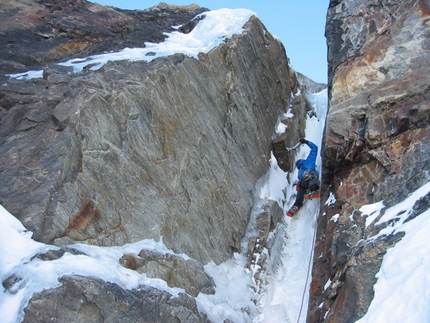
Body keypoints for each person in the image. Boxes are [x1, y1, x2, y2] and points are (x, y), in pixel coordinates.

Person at [287, 138, 320, 217]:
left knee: (301, 191)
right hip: (309, 178)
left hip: (302, 182)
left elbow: (301, 183)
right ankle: (314, 191)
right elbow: (315, 148)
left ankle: (296, 206)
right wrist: (306, 142)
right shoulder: (308, 161)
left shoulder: (300, 172)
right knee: (312, 179)